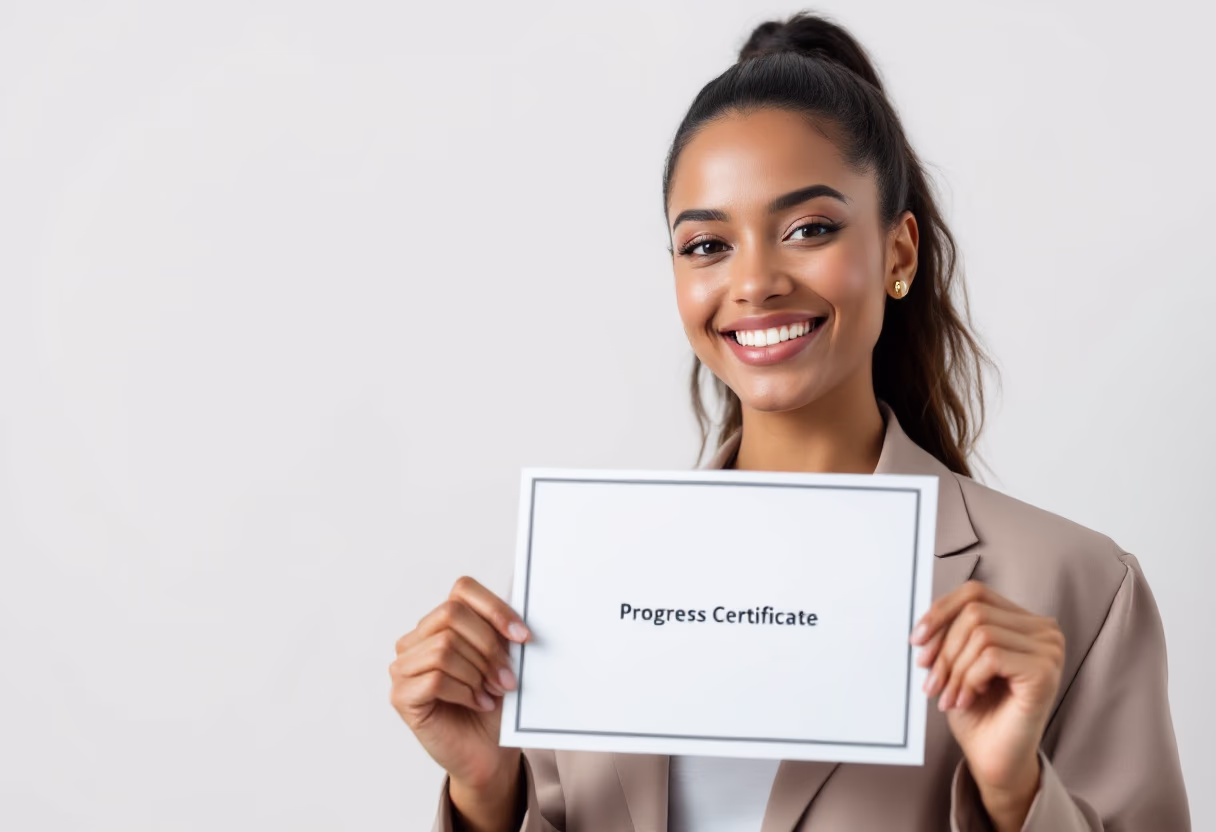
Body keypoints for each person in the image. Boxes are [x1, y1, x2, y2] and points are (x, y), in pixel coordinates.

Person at [389, 11, 1190, 831]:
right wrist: (486, 796)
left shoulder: (1076, 587)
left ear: (899, 253)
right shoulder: (590, 584)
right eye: (707, 245)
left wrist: (1017, 793)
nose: (756, 281)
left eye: (809, 229)